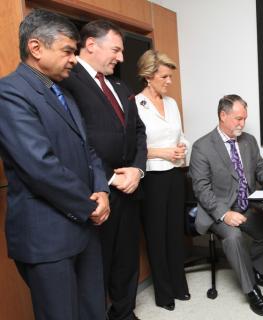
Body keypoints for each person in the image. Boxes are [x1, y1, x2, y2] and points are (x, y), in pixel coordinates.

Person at [0, 9, 110, 320]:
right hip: (47, 236)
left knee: (93, 311)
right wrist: (89, 206)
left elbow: (88, 150)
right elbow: (40, 166)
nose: (74, 59)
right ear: (36, 48)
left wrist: (101, 190)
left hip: (85, 225)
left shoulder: (63, 93)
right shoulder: (9, 93)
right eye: (68, 51)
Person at [60, 20, 147, 320]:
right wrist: (110, 176)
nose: (121, 58)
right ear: (91, 45)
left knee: (126, 259)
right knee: (97, 264)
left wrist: (137, 170)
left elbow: (138, 132)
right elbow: (75, 138)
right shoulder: (67, 82)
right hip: (97, 191)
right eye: (116, 50)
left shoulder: (121, 86)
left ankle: (124, 313)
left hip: (130, 188)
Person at [189, 94, 263, 316]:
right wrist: (224, 214)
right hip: (217, 210)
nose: (242, 123)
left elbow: (260, 168)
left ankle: (257, 271)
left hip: (246, 205)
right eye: (238, 119)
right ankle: (251, 290)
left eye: (244, 119)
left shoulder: (248, 141)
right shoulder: (202, 146)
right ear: (223, 115)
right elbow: (201, 190)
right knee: (233, 237)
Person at [135, 50, 190, 310]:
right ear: (148, 76)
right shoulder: (134, 104)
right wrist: (161, 152)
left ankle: (179, 286)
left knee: (174, 233)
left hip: (174, 175)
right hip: (152, 178)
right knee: (156, 236)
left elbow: (180, 135)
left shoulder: (171, 104)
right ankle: (164, 293)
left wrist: (181, 148)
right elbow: (133, 148)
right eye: (164, 76)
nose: (169, 81)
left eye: (171, 76)